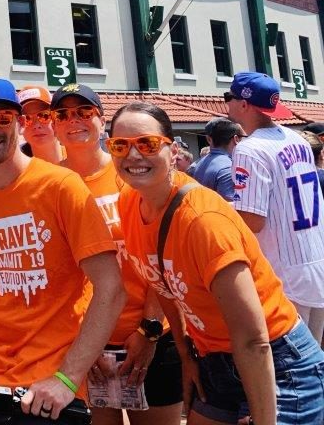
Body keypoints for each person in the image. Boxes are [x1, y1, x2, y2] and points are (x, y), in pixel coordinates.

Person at [109, 102, 324, 425]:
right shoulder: (130, 202)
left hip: (277, 361)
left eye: (147, 144)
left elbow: (253, 338)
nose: (133, 155)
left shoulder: (202, 220)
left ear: (172, 150)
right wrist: (186, 356)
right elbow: (163, 286)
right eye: (120, 145)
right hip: (212, 357)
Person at [0, 77, 124, 424]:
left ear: (20, 122)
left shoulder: (61, 186)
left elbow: (112, 288)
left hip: (47, 388)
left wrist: (68, 377)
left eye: (1, 117)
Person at [51, 85, 181, 425]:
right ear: (53, 125)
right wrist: (83, 345)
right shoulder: (51, 184)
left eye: (84, 111)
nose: (73, 120)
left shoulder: (131, 171)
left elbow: (161, 254)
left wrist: (149, 330)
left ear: (102, 119)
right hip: (87, 341)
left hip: (150, 333)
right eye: (62, 114)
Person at [227, 71, 324, 349]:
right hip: (315, 259)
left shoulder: (249, 149)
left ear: (244, 104)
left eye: (229, 97)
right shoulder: (298, 139)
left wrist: (218, 208)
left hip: (286, 276)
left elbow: (252, 221)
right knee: (315, 364)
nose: (228, 103)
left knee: (295, 374)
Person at [187, 118, 244, 201]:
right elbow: (229, 206)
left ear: (209, 139)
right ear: (236, 139)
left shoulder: (195, 165)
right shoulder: (228, 168)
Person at [18, 87, 62, 164]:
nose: (36, 125)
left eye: (44, 115)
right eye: (27, 118)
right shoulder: (15, 170)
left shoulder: (78, 154)